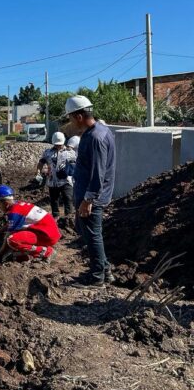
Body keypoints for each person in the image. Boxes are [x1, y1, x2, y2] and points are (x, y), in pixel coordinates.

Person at [63, 95, 116, 287]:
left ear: (78, 116)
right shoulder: (98, 131)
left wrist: (88, 199)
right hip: (87, 194)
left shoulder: (95, 137)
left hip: (91, 196)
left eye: (69, 117)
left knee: (93, 236)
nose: (69, 122)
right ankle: (105, 270)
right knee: (89, 234)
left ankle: (96, 278)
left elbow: (98, 173)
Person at [0, 185, 61, 262]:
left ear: (5, 203)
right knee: (13, 242)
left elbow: (9, 234)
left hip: (48, 236)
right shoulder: (17, 205)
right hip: (46, 232)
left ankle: (47, 252)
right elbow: (9, 226)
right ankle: (27, 255)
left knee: (12, 240)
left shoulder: (15, 212)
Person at [37, 132, 77, 226]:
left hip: (66, 180)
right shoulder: (48, 152)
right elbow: (41, 162)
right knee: (54, 200)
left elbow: (75, 165)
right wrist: (38, 172)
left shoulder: (70, 152)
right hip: (52, 181)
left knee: (68, 198)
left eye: (60, 144)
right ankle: (56, 217)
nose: (58, 146)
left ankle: (69, 217)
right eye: (56, 144)